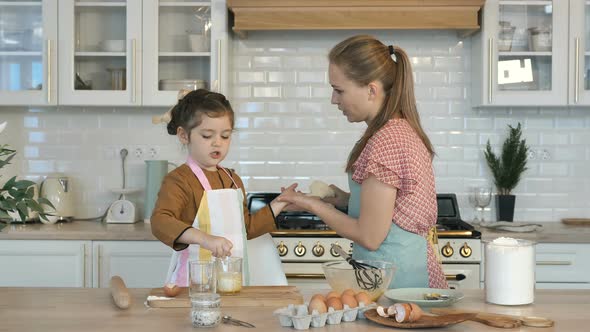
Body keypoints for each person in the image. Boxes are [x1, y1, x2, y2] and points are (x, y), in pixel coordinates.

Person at [278, 35, 448, 289]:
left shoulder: (387, 141)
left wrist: (314, 206)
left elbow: (370, 236)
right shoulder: (396, 131)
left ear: (371, 90)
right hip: (398, 281)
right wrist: (343, 200)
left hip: (400, 289)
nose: (333, 100)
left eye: (339, 90)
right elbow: (394, 210)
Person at [151, 89, 296, 286]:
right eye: (207, 135)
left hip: (232, 282)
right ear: (184, 136)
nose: (217, 142)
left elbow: (246, 229)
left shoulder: (233, 179)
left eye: (225, 136)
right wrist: (204, 239)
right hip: (194, 286)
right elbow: (161, 221)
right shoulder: (179, 180)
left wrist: (279, 203)